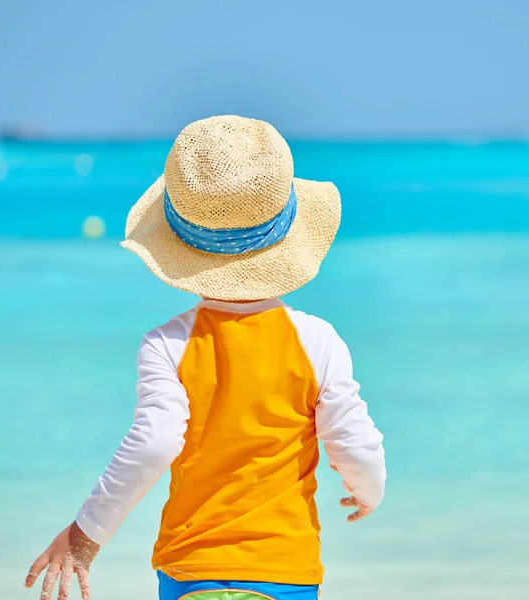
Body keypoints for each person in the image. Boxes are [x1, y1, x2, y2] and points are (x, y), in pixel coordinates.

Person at [24, 115, 386, 600]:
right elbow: (354, 442)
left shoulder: (166, 345)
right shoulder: (318, 342)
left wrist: (84, 536)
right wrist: (368, 489)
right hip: (286, 574)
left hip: (189, 572)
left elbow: (153, 443)